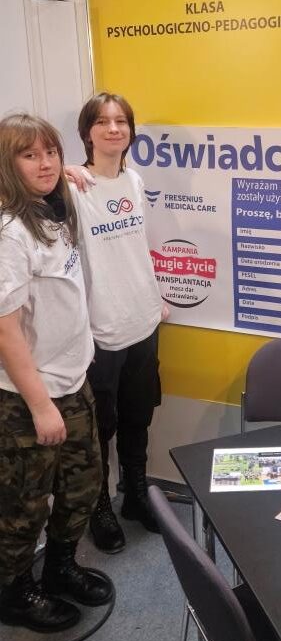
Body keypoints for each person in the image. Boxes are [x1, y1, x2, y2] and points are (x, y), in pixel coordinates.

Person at [0, 113, 111, 633]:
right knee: (24, 505)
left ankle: (60, 567)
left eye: (50, 152)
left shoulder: (50, 210)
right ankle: (15, 592)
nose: (44, 164)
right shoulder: (9, 233)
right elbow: (5, 332)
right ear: (7, 165)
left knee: (82, 486)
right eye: (29, 155)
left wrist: (67, 173)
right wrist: (41, 405)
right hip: (29, 398)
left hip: (73, 381)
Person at [70, 92, 166, 554]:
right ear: (87, 132)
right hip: (101, 329)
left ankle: (135, 494)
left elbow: (136, 246)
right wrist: (61, 172)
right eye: (103, 121)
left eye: (121, 121)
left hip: (143, 319)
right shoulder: (72, 188)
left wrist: (155, 297)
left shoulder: (133, 179)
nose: (114, 129)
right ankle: (100, 506)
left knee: (137, 415)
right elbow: (18, 194)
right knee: (100, 426)